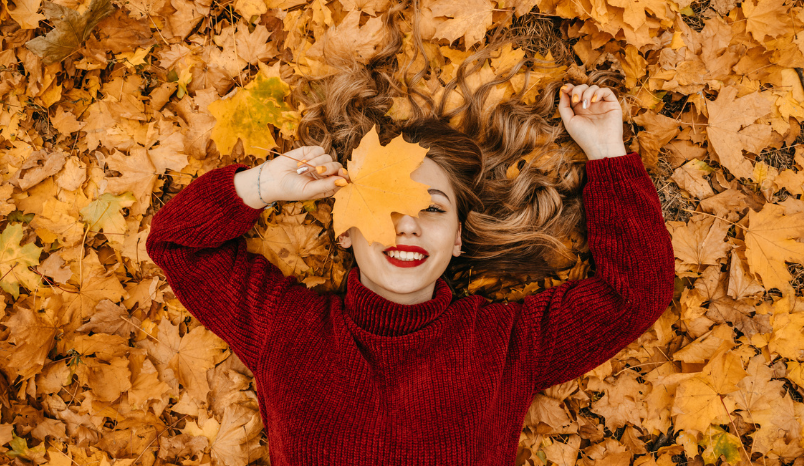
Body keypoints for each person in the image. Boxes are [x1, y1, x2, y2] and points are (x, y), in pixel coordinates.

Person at [146, 12, 674, 464]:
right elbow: (178, 245)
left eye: (433, 209)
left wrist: (607, 151)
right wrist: (265, 185)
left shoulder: (507, 345)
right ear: (346, 229)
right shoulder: (285, 330)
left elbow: (634, 294)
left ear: (459, 241)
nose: (407, 224)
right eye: (386, 205)